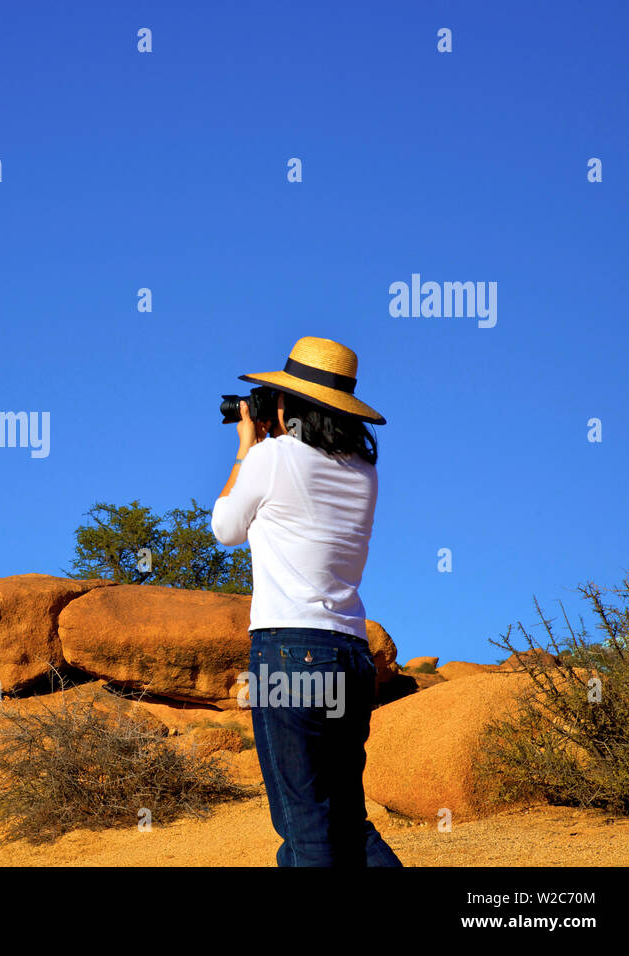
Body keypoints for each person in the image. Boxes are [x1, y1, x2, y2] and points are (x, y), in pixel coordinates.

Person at [211, 335, 401, 867]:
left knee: (306, 826)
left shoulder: (270, 458)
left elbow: (226, 528)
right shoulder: (365, 474)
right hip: (350, 655)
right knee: (347, 818)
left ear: (287, 404)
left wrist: (247, 446)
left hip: (289, 653)